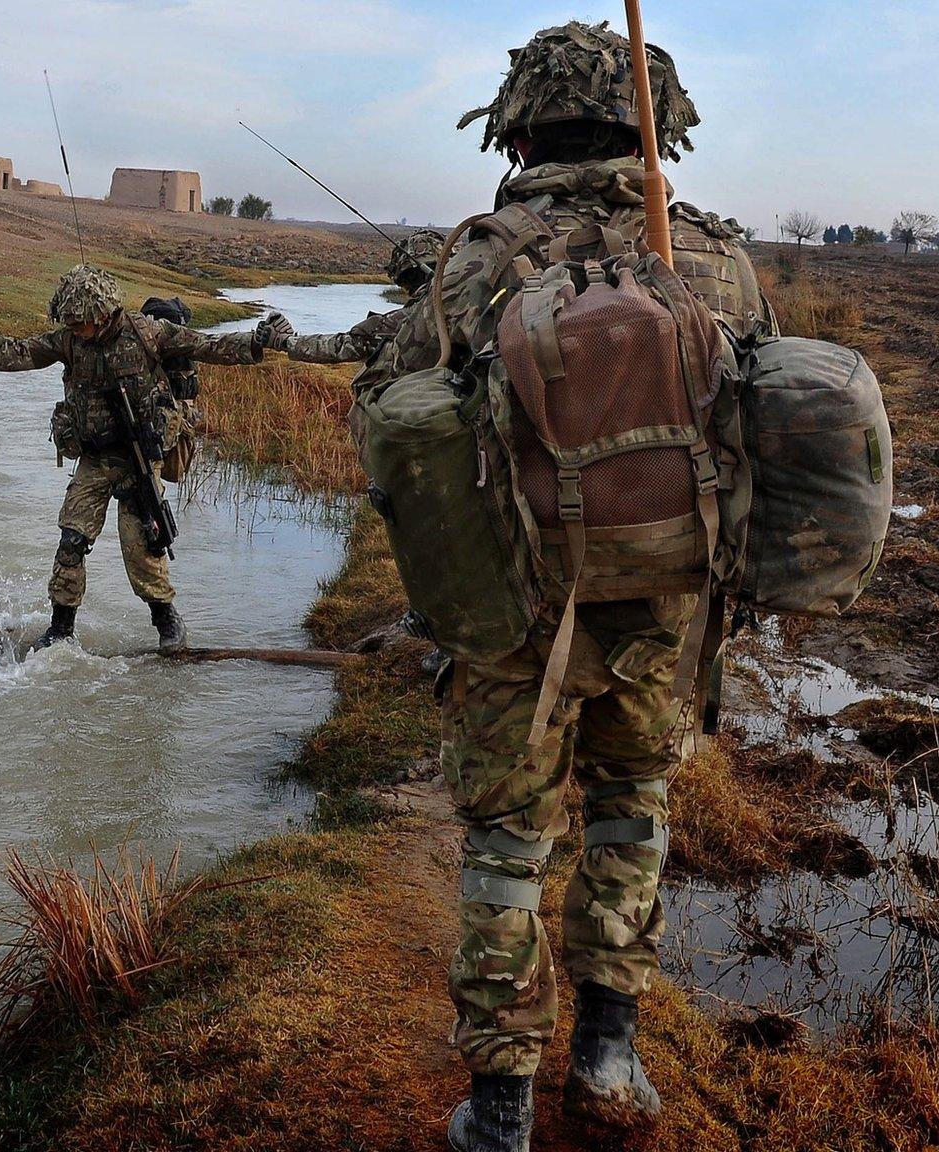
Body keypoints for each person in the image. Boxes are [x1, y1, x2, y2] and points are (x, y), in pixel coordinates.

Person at [355, 22, 774, 1152]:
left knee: (504, 846)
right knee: (629, 815)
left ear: (521, 122)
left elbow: (392, 419)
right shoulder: (713, 259)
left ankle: (497, 1114)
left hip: (515, 619)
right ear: (655, 124)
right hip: (670, 614)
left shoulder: (480, 254)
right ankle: (608, 1058)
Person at [0, 265, 285, 652]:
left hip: (138, 460)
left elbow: (205, 346)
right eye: (71, 323)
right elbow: (20, 353)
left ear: (102, 315)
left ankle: (167, 621)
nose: (75, 329)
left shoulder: (148, 333)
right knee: (71, 541)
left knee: (143, 547)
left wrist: (259, 341)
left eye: (80, 322)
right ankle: (61, 629)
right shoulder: (70, 342)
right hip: (94, 459)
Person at [256, 229, 447, 365]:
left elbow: (341, 347)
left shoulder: (412, 317)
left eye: (404, 284)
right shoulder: (466, 301)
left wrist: (283, 341)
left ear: (409, 277)